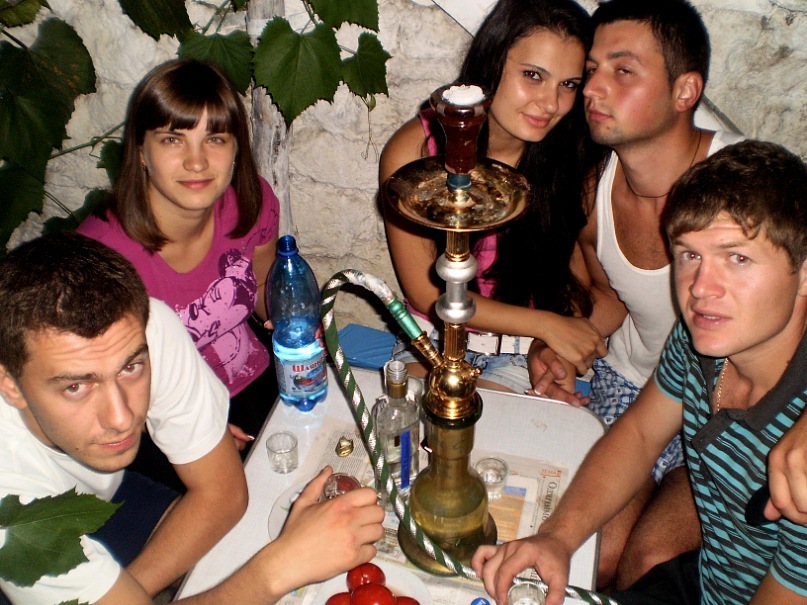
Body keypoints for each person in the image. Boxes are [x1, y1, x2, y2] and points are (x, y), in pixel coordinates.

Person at [473, 139, 807, 605]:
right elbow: (640, 436)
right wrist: (557, 537)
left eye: (737, 258)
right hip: (705, 581)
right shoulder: (701, 341)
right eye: (689, 255)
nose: (701, 289)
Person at [0, 232, 385, 605]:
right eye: (75, 387)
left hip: (99, 492)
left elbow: (223, 494)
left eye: (131, 367)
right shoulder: (9, 503)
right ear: (10, 383)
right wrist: (278, 568)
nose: (121, 417)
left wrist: (125, 593)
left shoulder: (140, 329)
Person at [527, 0, 745, 589]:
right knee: (594, 558)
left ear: (685, 91)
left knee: (650, 564)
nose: (593, 88)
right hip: (630, 388)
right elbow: (609, 296)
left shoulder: (746, 188)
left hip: (724, 415)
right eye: (591, 70)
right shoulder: (593, 189)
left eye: (623, 70)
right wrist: (561, 345)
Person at [379, 0, 608, 394]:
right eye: (533, 75)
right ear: (492, 63)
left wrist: (553, 349)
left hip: (525, 352)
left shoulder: (572, 155)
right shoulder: (416, 151)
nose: (551, 103)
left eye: (568, 84)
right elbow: (426, 292)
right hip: (434, 339)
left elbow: (581, 282)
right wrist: (548, 326)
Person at [78, 58, 280, 479]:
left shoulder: (250, 201)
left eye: (215, 139)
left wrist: (290, 317)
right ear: (140, 151)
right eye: (173, 139)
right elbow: (94, 389)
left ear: (236, 148)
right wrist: (192, 432)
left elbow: (263, 283)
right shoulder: (98, 260)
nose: (197, 162)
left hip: (256, 382)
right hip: (155, 423)